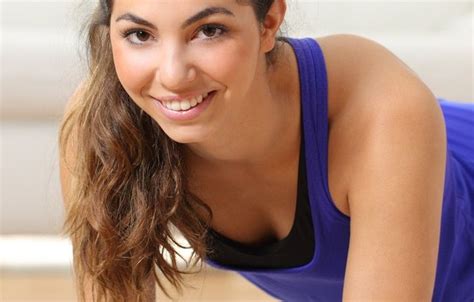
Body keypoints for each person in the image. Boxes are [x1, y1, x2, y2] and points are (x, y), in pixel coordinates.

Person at [59, 0, 474, 301]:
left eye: (209, 30)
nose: (172, 75)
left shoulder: (378, 107)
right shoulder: (103, 129)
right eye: (140, 35)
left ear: (269, 21)